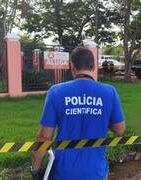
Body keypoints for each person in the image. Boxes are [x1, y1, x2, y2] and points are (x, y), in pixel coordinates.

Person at [31, 47, 126, 180]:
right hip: (95, 172)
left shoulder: (56, 92)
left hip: (63, 173)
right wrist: (100, 115)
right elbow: (120, 129)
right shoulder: (109, 92)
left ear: (72, 66)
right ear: (93, 67)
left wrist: (35, 169)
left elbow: (44, 137)